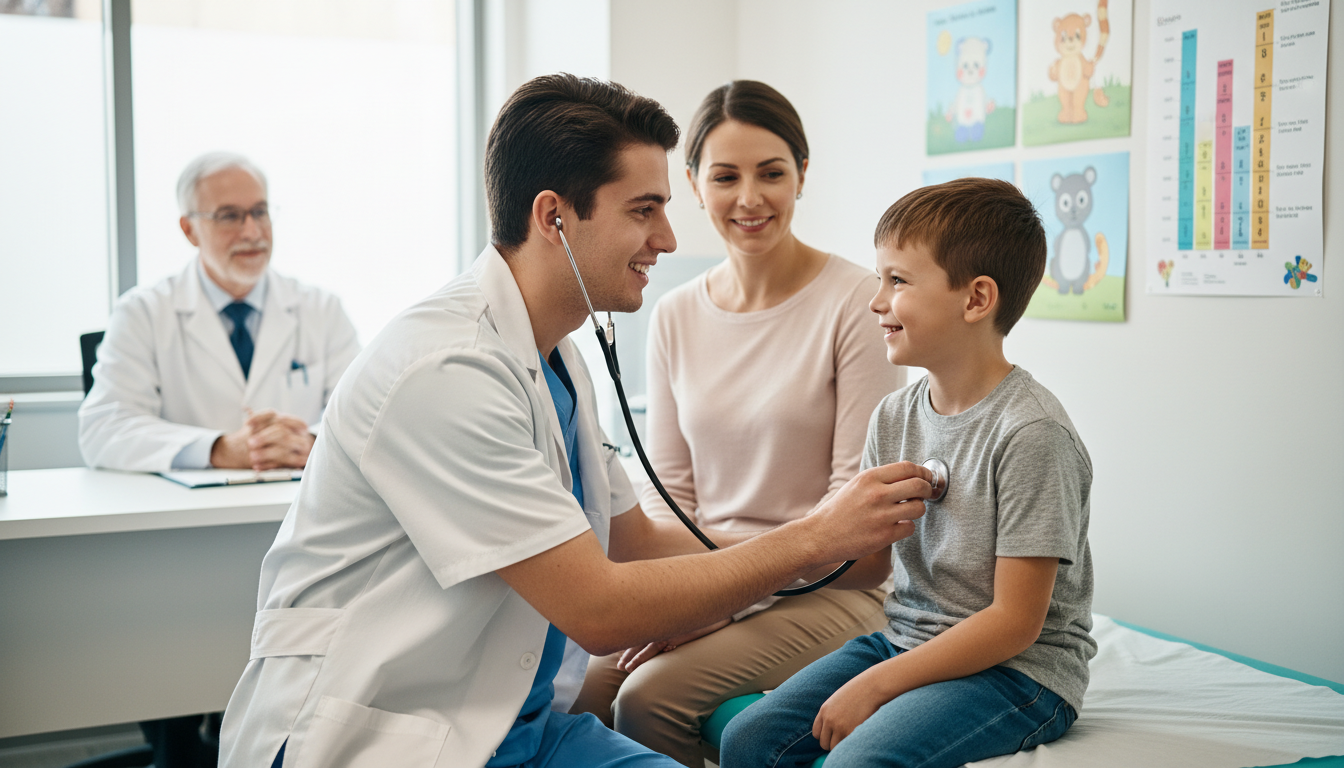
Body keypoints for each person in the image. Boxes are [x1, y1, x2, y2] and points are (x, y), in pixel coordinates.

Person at [217, 74, 934, 768]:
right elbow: (601, 609)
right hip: (393, 734)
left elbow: (637, 539)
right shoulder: (446, 370)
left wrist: (818, 548)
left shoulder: (556, 352)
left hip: (512, 725)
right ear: (554, 216)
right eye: (643, 210)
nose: (668, 239)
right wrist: (812, 540)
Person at [570, 80, 905, 767]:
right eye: (725, 177)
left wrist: (725, 602)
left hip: (833, 589)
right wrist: (690, 599)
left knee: (646, 697)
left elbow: (859, 541)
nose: (749, 198)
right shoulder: (672, 313)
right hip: (713, 580)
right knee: (575, 685)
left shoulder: (854, 306)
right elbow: (672, 500)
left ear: (802, 176)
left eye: (772, 173)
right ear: (692, 185)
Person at [720, 178, 1097, 768]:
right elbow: (871, 565)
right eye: (879, 279)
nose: (876, 301)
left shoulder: (1031, 434)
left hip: (1020, 674)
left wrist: (876, 685)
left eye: (897, 281)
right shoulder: (895, 415)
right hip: (908, 640)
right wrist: (776, 566)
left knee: (854, 763)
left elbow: (1014, 623)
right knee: (745, 739)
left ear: (976, 300)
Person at [78, 152, 360, 473]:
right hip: (190, 514)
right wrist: (218, 450)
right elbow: (103, 429)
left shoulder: (323, 309)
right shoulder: (142, 313)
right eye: (229, 216)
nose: (252, 232)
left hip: (296, 508)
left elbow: (363, 417)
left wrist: (308, 442)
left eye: (259, 212)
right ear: (189, 230)